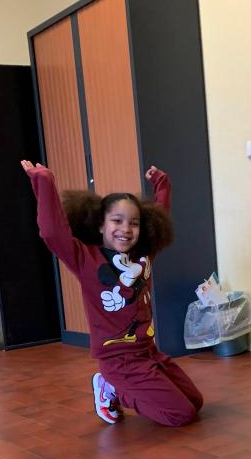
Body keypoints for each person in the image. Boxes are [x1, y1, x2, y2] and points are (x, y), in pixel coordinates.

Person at [22, 160, 203, 427]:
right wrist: (44, 181)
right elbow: (52, 232)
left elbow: (161, 211)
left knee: (195, 402)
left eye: (134, 223)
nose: (125, 229)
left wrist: (162, 184)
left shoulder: (143, 254)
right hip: (118, 360)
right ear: (100, 225)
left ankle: (121, 386)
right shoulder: (85, 258)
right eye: (117, 221)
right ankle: (111, 387)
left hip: (149, 352)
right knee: (180, 414)